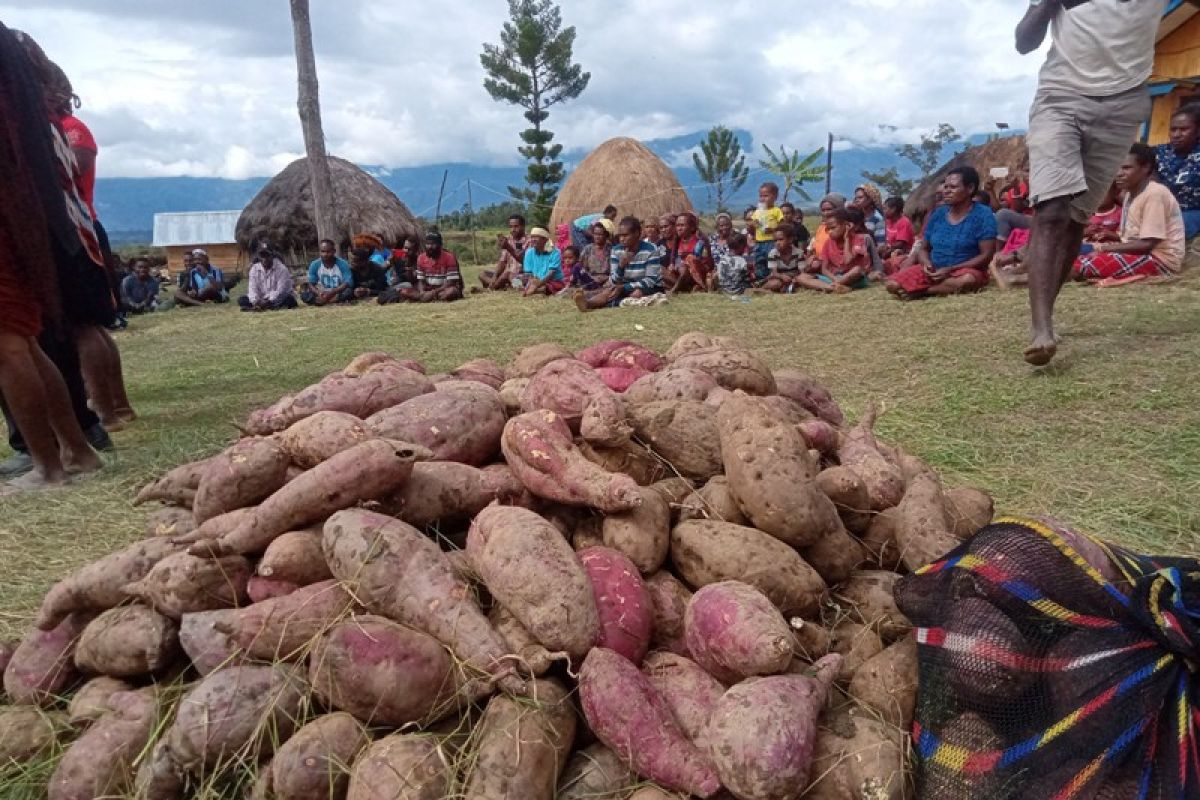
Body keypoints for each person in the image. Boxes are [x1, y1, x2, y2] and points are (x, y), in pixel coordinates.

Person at [1016, 0, 1169, 366]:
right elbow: (1024, 41)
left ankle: (1048, 313)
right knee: (1052, 210)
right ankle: (1040, 327)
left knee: (1076, 218)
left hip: (1123, 103)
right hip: (1061, 96)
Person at [0, 23, 103, 492]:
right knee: (25, 340)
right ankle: (75, 451)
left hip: (13, 213)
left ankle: (49, 467)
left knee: (8, 344)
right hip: (28, 216)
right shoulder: (20, 73)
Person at [1073, 144, 1184, 286]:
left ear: (1146, 168)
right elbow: (1135, 236)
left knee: (1078, 263)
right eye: (1116, 168)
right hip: (1139, 253)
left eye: (1126, 168)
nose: (1118, 173)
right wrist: (1110, 238)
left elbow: (1147, 244)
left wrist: (1102, 248)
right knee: (1073, 249)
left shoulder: (1155, 194)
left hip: (1159, 261)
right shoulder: (1130, 194)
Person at [887, 166, 997, 299]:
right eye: (946, 187)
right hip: (934, 269)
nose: (947, 191)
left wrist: (951, 269)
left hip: (964, 271)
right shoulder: (938, 214)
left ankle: (923, 291)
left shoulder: (983, 214)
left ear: (970, 188)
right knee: (892, 284)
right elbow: (924, 248)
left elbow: (986, 255)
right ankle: (937, 287)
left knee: (967, 281)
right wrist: (927, 263)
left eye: (953, 187)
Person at [574, 216, 664, 311]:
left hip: (649, 287)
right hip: (624, 286)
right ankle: (587, 304)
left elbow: (650, 280)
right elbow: (613, 280)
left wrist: (624, 287)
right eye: (620, 235)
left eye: (625, 235)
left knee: (636, 293)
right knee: (609, 291)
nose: (621, 239)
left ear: (637, 233)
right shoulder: (616, 250)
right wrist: (621, 266)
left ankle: (613, 303)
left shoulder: (651, 249)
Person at [799, 208, 872, 293]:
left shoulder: (858, 239)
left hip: (854, 278)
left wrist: (847, 239)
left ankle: (834, 286)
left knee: (857, 270)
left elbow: (847, 260)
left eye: (833, 228)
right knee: (801, 277)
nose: (830, 232)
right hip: (835, 277)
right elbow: (824, 269)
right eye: (828, 229)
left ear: (846, 225)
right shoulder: (828, 243)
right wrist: (835, 279)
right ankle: (833, 288)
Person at [1154, 104, 1200, 239]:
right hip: (1160, 213)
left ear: (1198, 131)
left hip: (1192, 214)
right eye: (1173, 129)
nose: (1177, 135)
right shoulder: (1159, 153)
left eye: (1184, 129)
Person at [407, 231, 463, 302]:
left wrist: (433, 293)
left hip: (444, 289)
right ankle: (427, 297)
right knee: (405, 291)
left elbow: (451, 282)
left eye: (433, 244)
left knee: (451, 292)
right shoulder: (421, 258)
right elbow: (421, 281)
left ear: (440, 245)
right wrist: (422, 292)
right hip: (428, 288)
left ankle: (428, 298)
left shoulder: (449, 257)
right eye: (427, 244)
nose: (430, 247)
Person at [239, 244, 296, 311]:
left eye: (267, 255)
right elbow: (252, 289)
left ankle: (260, 308)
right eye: (262, 256)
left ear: (272, 256)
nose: (264, 259)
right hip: (261, 299)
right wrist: (255, 301)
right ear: (258, 257)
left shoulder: (282, 269)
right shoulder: (254, 269)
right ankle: (262, 307)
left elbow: (281, 291)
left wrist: (268, 300)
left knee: (289, 300)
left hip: (278, 298)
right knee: (242, 300)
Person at [666, 212, 712, 293]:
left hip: (697, 274)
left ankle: (674, 290)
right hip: (680, 273)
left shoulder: (700, 241)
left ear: (692, 228)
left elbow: (707, 264)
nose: (679, 228)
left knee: (689, 259)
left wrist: (688, 263)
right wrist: (672, 265)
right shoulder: (677, 241)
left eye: (682, 225)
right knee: (660, 269)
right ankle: (687, 287)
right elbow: (673, 260)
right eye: (677, 225)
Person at [480, 213, 527, 290]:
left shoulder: (530, 241)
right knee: (483, 274)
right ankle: (499, 284)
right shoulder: (508, 240)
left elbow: (524, 261)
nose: (513, 230)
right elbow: (502, 262)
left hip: (520, 276)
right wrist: (495, 277)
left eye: (516, 226)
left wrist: (508, 247)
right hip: (505, 276)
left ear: (523, 227)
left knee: (509, 275)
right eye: (511, 227)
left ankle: (494, 287)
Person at [300, 239, 351, 306]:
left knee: (349, 291)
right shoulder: (315, 264)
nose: (325, 254)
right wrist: (319, 293)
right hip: (322, 293)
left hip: (337, 292)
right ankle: (325, 300)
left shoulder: (343, 264)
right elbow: (311, 284)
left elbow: (347, 282)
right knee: (304, 295)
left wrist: (333, 292)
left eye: (328, 252)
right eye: (323, 251)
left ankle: (323, 302)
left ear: (334, 251)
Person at [568, 221, 614, 292]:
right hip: (589, 280)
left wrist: (606, 278)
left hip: (606, 281)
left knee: (609, 286)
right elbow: (580, 266)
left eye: (600, 234)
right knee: (577, 268)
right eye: (595, 234)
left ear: (606, 235)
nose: (597, 237)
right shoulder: (588, 249)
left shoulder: (612, 250)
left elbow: (616, 272)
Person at [518, 227, 565, 296]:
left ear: (545, 239)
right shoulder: (529, 252)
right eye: (532, 237)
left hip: (550, 281)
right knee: (517, 280)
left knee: (549, 286)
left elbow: (551, 274)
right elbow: (528, 273)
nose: (533, 240)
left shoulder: (555, 252)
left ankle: (537, 290)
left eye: (536, 237)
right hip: (534, 280)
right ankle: (536, 290)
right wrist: (532, 283)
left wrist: (537, 286)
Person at [751, 182, 784, 281]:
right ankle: (761, 281)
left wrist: (773, 230)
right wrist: (755, 224)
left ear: (775, 197)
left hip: (771, 242)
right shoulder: (758, 211)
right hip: (759, 242)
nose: (762, 198)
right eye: (761, 196)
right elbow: (753, 223)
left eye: (766, 196)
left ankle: (772, 280)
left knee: (772, 261)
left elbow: (782, 225)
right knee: (760, 262)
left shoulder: (776, 210)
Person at [759, 223, 805, 292]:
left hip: (794, 278)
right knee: (776, 283)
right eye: (775, 240)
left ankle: (785, 288)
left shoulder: (799, 253)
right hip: (779, 278)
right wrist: (782, 276)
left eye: (781, 239)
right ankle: (762, 289)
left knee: (802, 280)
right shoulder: (773, 253)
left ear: (790, 240)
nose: (777, 243)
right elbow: (774, 273)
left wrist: (795, 279)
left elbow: (802, 272)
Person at [807, 193, 847, 262]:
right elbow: (815, 247)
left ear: (839, 210)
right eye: (823, 210)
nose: (826, 213)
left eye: (829, 209)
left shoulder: (844, 228)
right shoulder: (821, 228)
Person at [879, 196, 916, 272]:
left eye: (885, 208)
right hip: (891, 250)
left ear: (893, 209)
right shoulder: (888, 220)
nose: (883, 211)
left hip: (904, 252)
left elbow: (901, 243)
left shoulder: (904, 222)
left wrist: (887, 248)